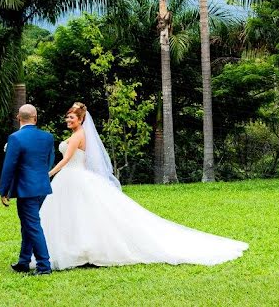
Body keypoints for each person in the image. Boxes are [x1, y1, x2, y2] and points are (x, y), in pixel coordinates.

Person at [39, 102, 248, 270]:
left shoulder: (77, 136)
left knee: (82, 213)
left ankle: (84, 248)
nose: (68, 120)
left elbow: (66, 159)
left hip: (74, 176)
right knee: (77, 213)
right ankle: (79, 247)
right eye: (67, 117)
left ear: (81, 119)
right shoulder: (79, 135)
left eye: (71, 117)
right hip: (74, 178)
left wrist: (48, 173)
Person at [0, 104, 55, 275]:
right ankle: (24, 261)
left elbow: (9, 167)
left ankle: (44, 266)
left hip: (26, 189)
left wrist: (4, 190)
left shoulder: (15, 138)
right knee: (28, 224)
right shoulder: (47, 137)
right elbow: (50, 159)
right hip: (42, 187)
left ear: (18, 118)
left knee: (32, 225)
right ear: (35, 118)